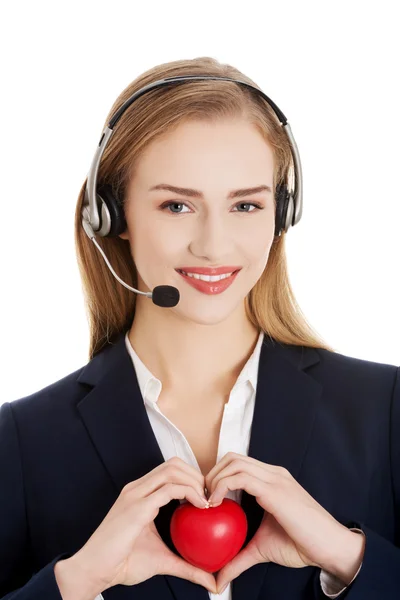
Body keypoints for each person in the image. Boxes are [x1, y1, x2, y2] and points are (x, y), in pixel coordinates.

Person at [1, 57, 399, 600]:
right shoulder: (22, 441)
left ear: (282, 214)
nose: (213, 244)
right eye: (177, 204)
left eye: (245, 204)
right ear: (111, 215)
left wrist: (348, 556)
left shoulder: (386, 410)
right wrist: (75, 584)